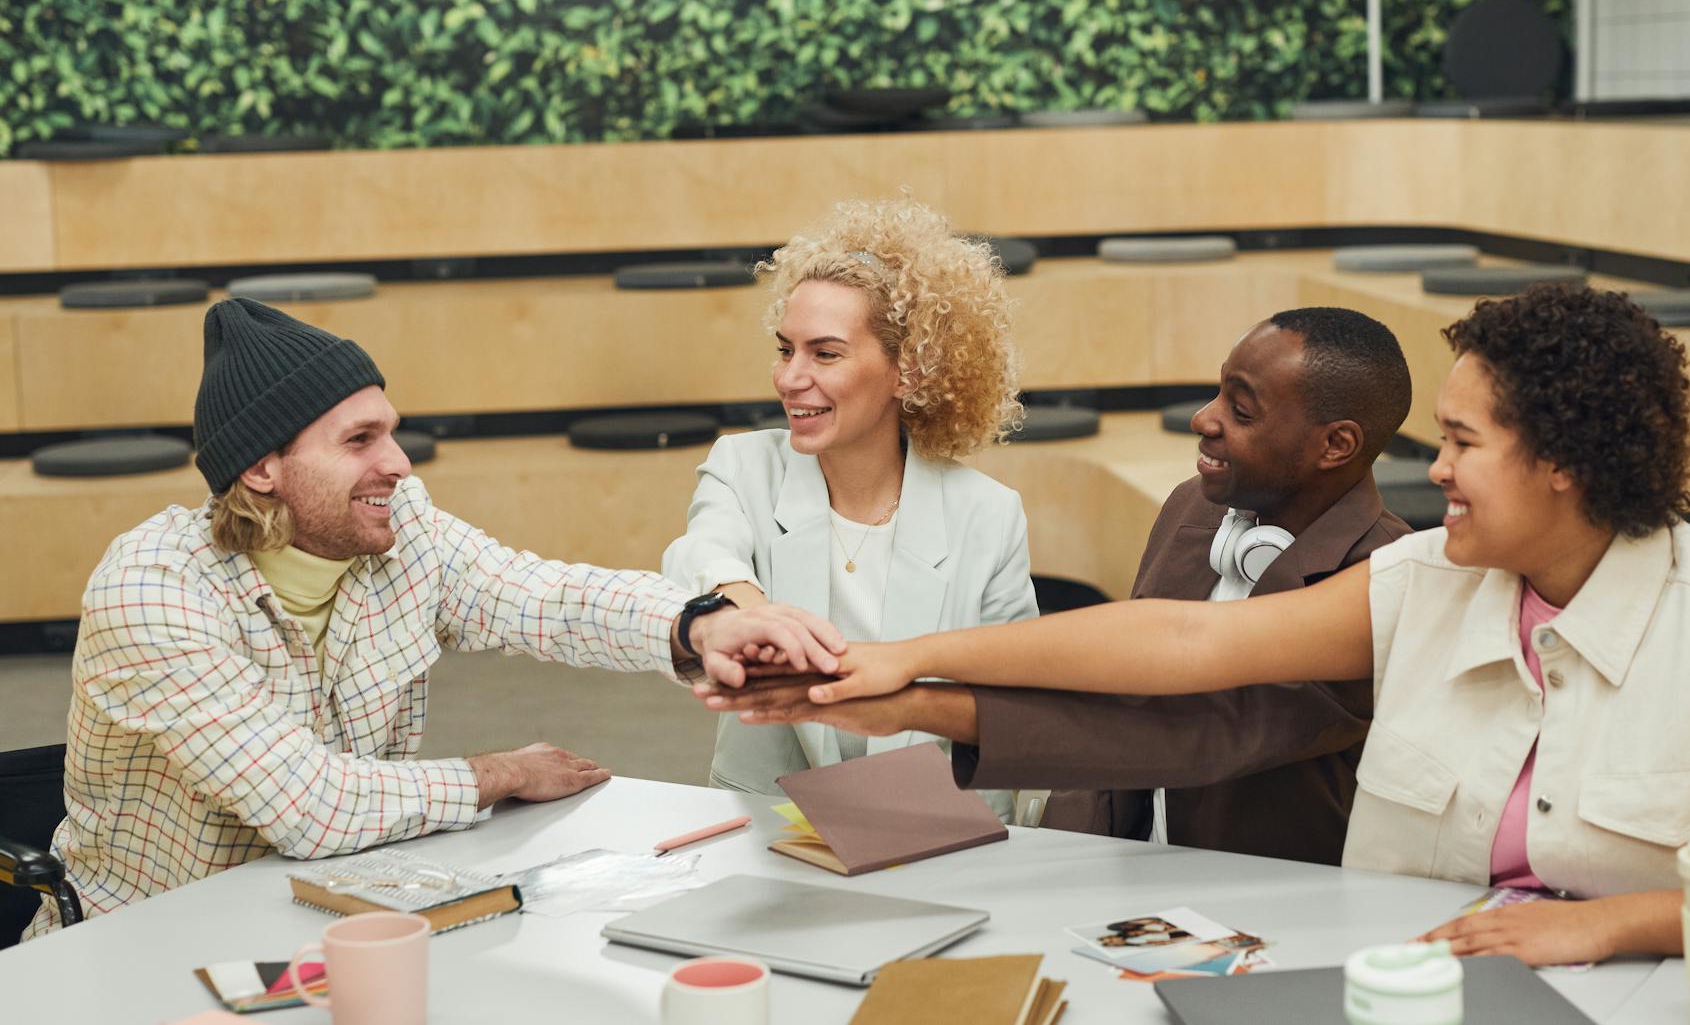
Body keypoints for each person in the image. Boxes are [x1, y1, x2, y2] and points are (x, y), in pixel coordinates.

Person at [707, 283, 1690, 966]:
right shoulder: (1424, 579)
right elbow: (1178, 643)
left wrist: (1617, 924)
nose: (1435, 467)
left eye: (1462, 442)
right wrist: (905, 662)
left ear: (1563, 461)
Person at [25, 299, 845, 938]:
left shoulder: (400, 526)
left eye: (391, 431)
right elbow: (311, 804)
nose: (397, 462)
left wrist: (698, 623)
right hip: (145, 949)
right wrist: (500, 772)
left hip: (332, 920)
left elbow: (541, 596)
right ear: (263, 467)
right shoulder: (153, 589)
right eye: (360, 440)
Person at [713, 308, 1414, 863]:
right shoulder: (1195, 508)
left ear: (1336, 445)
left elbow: (1182, 732)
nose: (1204, 419)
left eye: (1243, 410)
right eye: (1217, 394)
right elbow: (1114, 683)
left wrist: (910, 695)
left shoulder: (1383, 578)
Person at [661, 200, 1036, 816]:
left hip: (937, 829)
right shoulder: (743, 466)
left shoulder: (989, 515)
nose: (790, 378)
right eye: (786, 350)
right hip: (770, 832)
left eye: (825, 354)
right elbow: (699, 554)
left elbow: (1013, 705)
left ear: (908, 372)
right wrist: (756, 617)